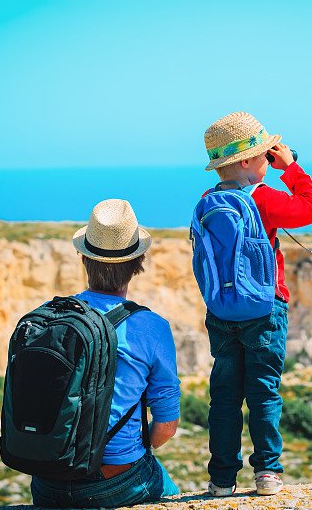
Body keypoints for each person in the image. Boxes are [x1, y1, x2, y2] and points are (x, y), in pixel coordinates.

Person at [200, 112, 312, 496]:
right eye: (264, 155)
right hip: (264, 310)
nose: (269, 161)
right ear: (245, 161)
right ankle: (267, 473)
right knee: (264, 392)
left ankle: (221, 480)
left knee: (224, 396)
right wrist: (292, 168)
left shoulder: (208, 200)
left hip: (221, 310)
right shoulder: (264, 198)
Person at [30, 198, 182, 508]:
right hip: (113, 483)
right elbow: (167, 427)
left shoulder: (52, 317)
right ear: (136, 264)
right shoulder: (151, 327)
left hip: (46, 482)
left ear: (83, 259)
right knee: (169, 489)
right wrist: (135, 448)